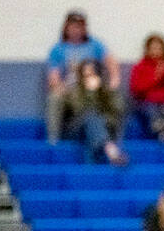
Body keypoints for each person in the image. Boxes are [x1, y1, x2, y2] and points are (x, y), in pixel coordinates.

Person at [46, 10, 119, 145]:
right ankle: (53, 140)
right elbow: (53, 77)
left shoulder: (95, 45)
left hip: (92, 88)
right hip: (69, 90)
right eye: (73, 26)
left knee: (113, 97)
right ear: (66, 28)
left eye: (80, 26)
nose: (76, 30)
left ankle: (113, 139)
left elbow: (110, 62)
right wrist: (59, 87)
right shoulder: (57, 49)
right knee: (54, 97)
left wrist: (114, 81)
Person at [63, 59, 128, 164]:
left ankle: (103, 153)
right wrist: (90, 93)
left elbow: (118, 110)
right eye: (86, 75)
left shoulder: (108, 90)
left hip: (102, 129)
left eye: (92, 74)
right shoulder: (75, 91)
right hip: (78, 130)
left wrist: (102, 92)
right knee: (91, 117)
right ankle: (111, 151)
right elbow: (79, 111)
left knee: (95, 128)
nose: (89, 78)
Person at [129, 33, 164, 140]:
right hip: (147, 104)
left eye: (158, 48)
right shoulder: (140, 67)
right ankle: (160, 131)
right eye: (153, 48)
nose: (156, 51)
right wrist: (155, 78)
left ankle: (162, 130)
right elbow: (136, 89)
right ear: (147, 49)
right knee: (151, 111)